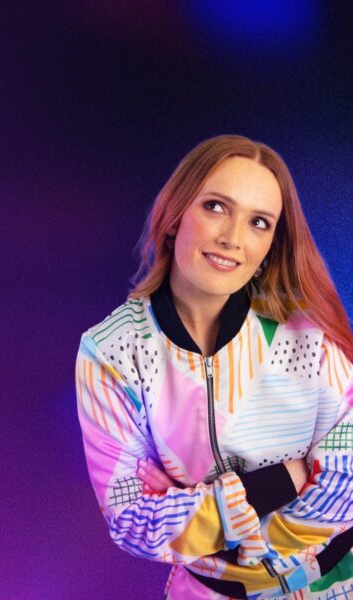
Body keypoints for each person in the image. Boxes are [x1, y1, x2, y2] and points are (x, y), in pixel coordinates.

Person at [75, 134, 353, 599]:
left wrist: (203, 518)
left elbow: (346, 487)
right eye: (216, 207)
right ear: (175, 215)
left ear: (270, 246)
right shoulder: (112, 352)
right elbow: (131, 523)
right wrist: (287, 477)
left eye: (259, 222)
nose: (232, 238)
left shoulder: (305, 336)